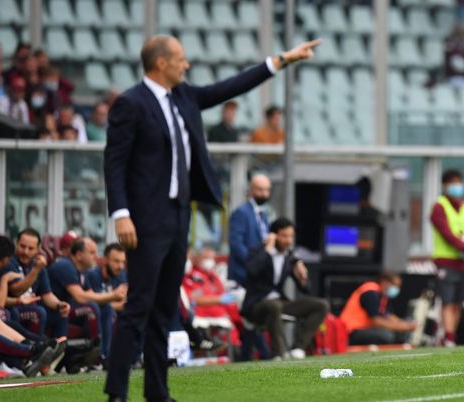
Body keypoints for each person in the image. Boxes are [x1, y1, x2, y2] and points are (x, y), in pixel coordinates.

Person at [103, 33, 320, 401]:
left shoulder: (184, 98)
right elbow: (115, 162)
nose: (185, 65)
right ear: (160, 63)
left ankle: (157, 392)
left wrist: (281, 61)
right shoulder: (131, 104)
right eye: (180, 59)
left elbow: (230, 86)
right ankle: (118, 393)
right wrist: (121, 214)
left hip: (178, 219)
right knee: (138, 306)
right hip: (144, 222)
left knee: (164, 309)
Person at [241, 218, 329, 360]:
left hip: (280, 302)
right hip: (257, 305)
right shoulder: (258, 251)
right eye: (284, 236)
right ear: (273, 235)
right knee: (273, 305)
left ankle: (298, 348)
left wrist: (302, 277)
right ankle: (278, 354)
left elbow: (306, 289)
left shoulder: (290, 258)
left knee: (321, 305)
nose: (288, 241)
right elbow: (251, 271)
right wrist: (267, 250)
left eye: (291, 236)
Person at [48, 238, 126, 359]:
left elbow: (92, 296)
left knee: (106, 309)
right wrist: (113, 295)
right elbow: (80, 297)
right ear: (79, 255)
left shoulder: (83, 271)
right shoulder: (65, 265)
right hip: (54, 310)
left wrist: (116, 298)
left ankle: (105, 356)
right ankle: (94, 353)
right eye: (92, 252)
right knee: (91, 307)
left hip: (70, 309)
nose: (96, 256)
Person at [430, 169, 464, 347]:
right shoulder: (439, 206)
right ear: (445, 186)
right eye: (453, 183)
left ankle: (452, 336)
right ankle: (448, 337)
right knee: (447, 301)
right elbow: (447, 234)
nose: (457, 187)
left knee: (457, 302)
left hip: (463, 261)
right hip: (445, 261)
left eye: (458, 182)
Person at [2, 228, 70, 338]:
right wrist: (36, 270)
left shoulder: (38, 264)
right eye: (22, 246)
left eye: (30, 248)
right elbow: (16, 290)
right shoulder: (9, 262)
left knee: (61, 313)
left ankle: (60, 349)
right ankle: (34, 351)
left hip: (31, 307)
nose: (25, 252)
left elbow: (46, 294)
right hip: (13, 307)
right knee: (39, 312)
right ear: (16, 244)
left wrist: (59, 304)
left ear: (38, 249)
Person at [339, 272, 417, 345]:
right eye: (394, 285)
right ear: (384, 282)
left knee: (402, 324)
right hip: (350, 331)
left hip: (362, 329)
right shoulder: (371, 292)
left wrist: (405, 324)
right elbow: (376, 322)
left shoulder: (382, 296)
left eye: (398, 286)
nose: (396, 289)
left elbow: (387, 315)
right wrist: (403, 327)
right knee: (387, 336)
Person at [84, 243, 128, 363]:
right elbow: (95, 302)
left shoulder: (121, 276)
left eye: (123, 262)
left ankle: (136, 357)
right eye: (116, 261)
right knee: (108, 311)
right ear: (105, 260)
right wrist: (114, 302)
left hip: (109, 312)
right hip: (91, 314)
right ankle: (104, 356)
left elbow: (125, 301)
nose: (120, 266)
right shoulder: (93, 275)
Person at [229, 174, 272, 285]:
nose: (264, 194)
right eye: (260, 190)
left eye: (267, 190)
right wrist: (253, 263)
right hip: (243, 273)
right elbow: (236, 244)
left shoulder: (263, 214)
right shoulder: (242, 212)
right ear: (251, 190)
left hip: (258, 274)